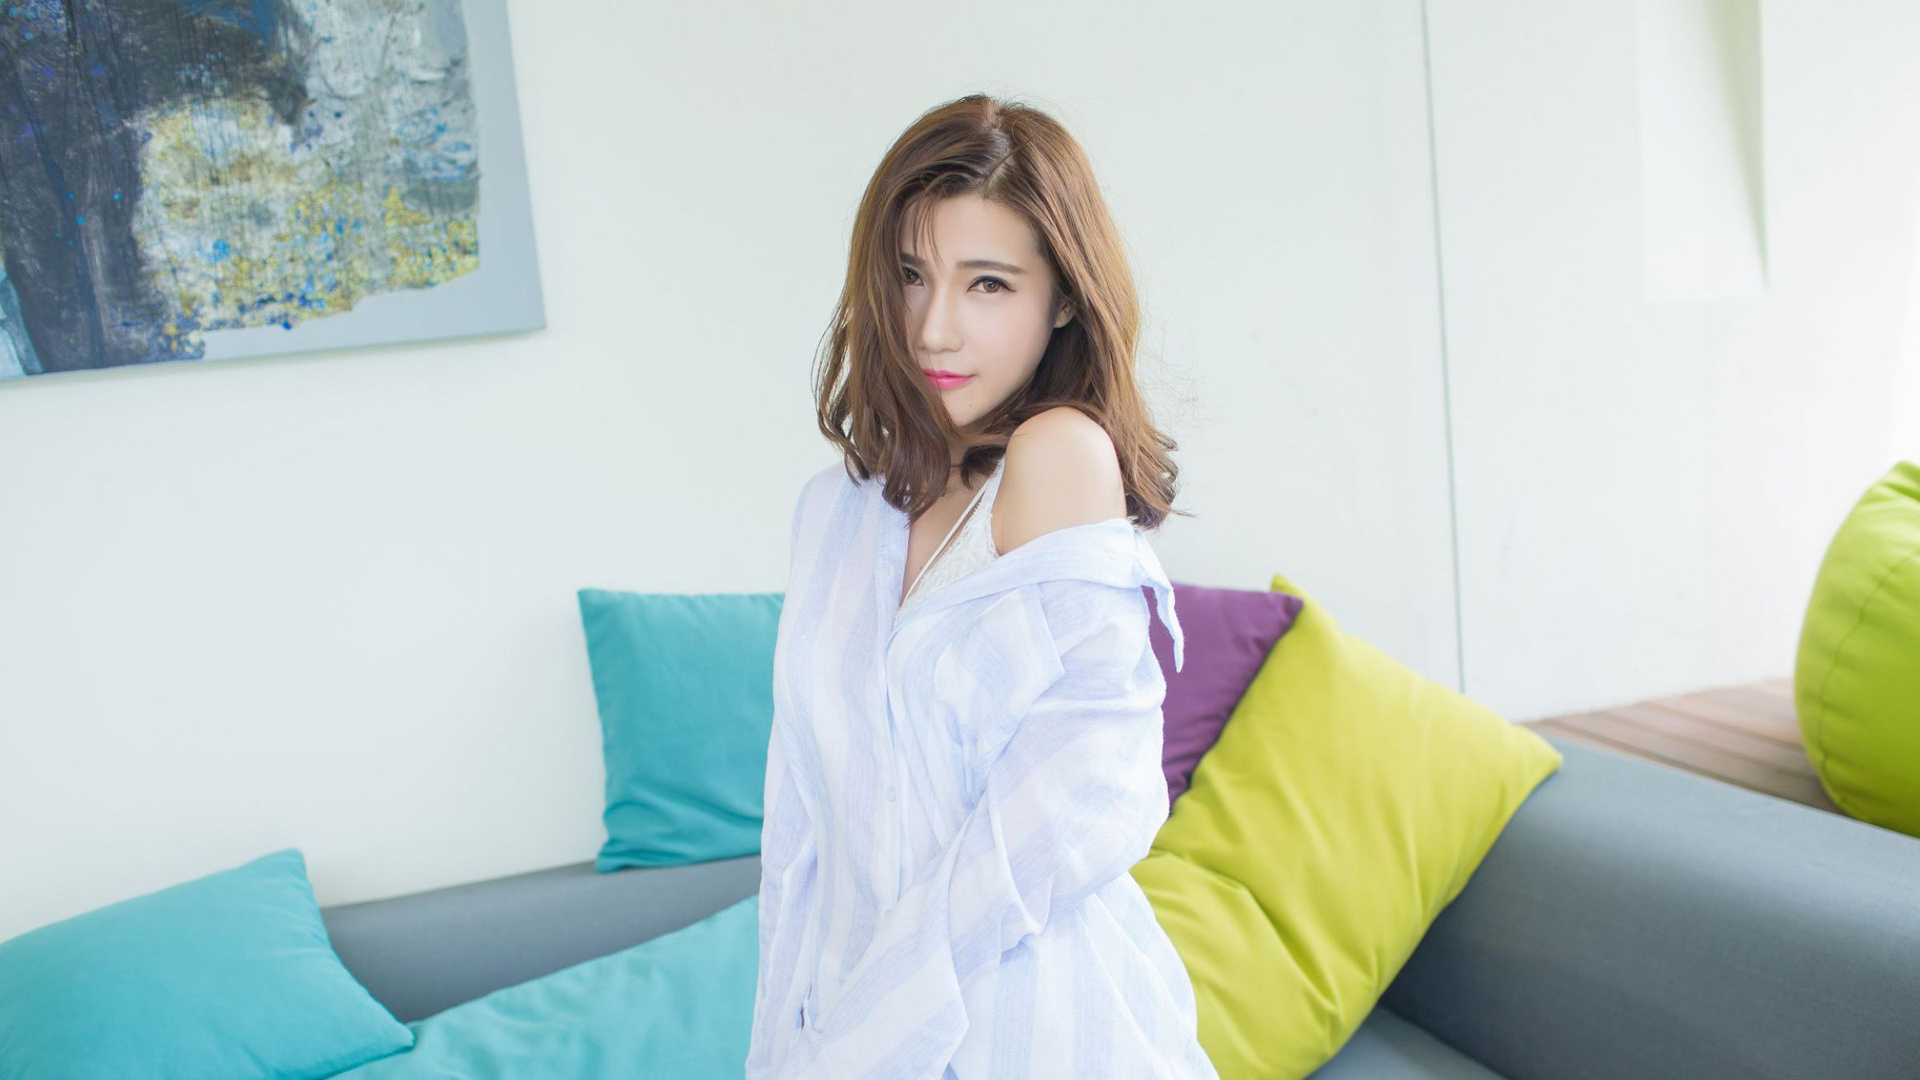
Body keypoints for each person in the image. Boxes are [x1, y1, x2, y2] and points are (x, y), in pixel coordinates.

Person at [746, 92, 1219, 1080]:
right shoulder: (835, 513)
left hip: (1044, 1034)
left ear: (1064, 300)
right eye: (911, 275)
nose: (935, 329)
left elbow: (1070, 808)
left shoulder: (1058, 456)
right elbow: (799, 842)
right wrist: (788, 1053)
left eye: (989, 285)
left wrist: (858, 1045)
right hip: (850, 1032)